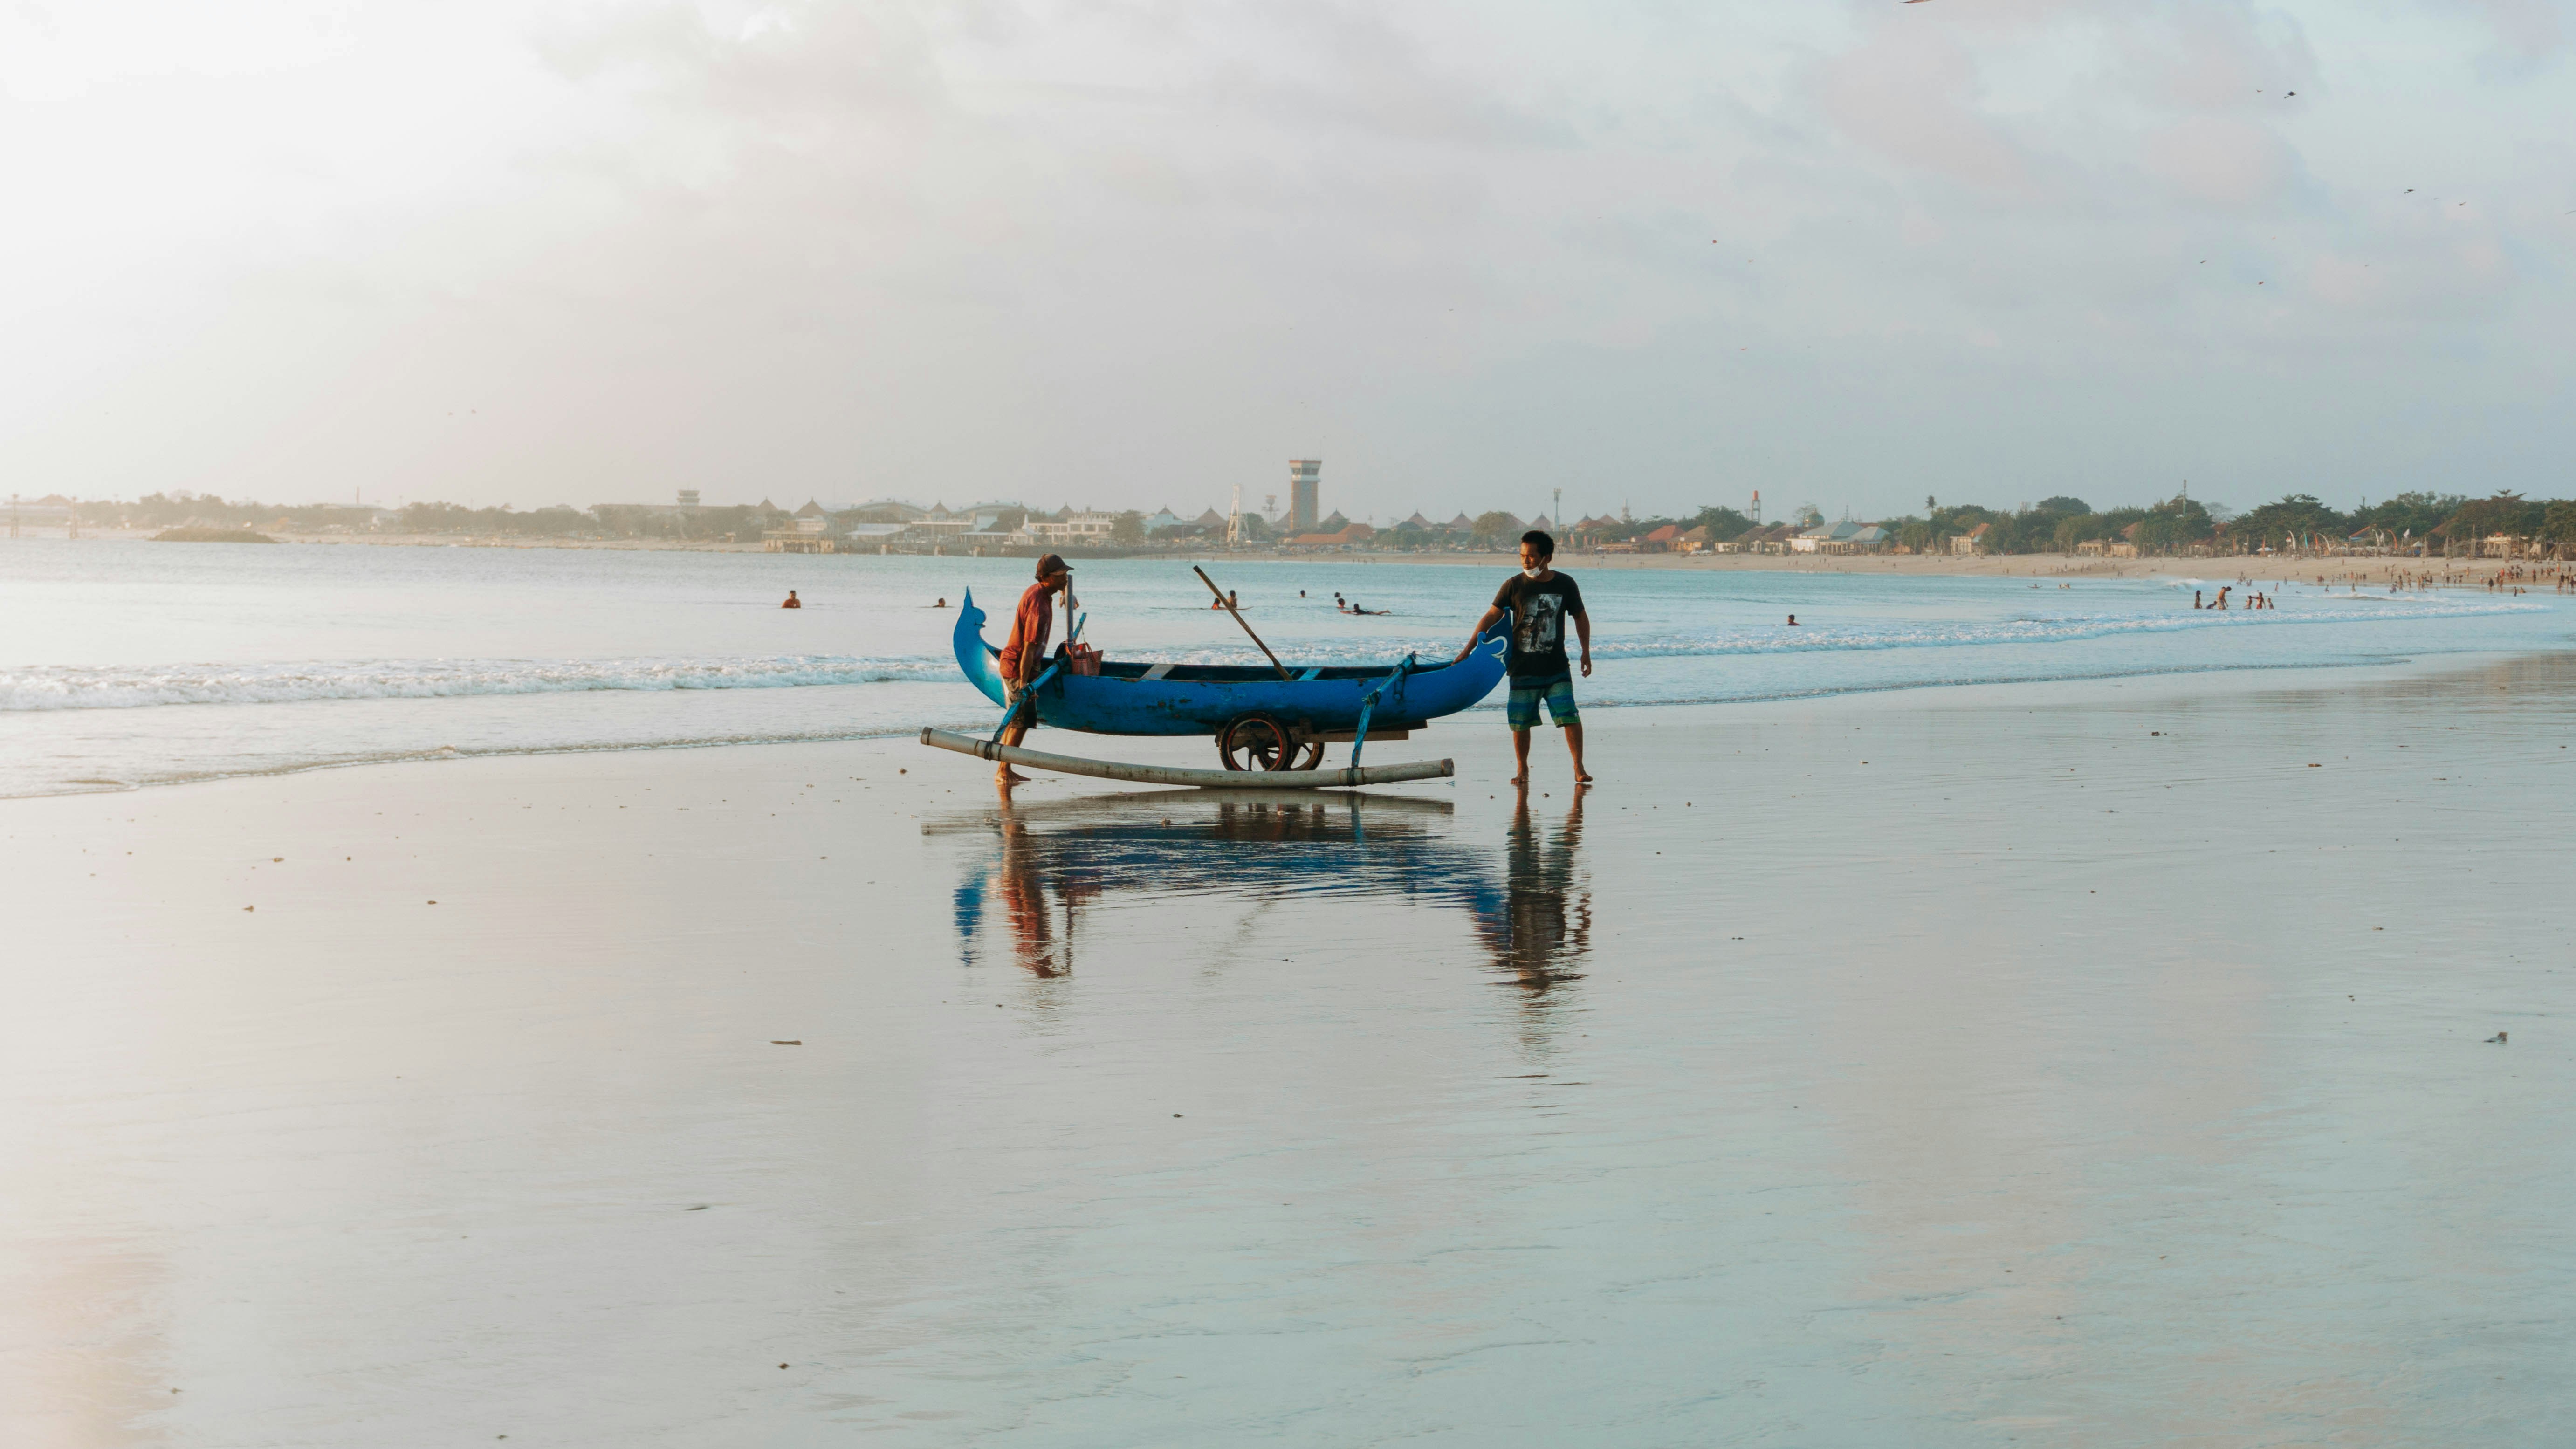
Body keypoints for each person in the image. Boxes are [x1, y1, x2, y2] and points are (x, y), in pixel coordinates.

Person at [1456, 529, 1590, 785]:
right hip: (1522, 667)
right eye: (1522, 556)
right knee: (1520, 722)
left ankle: (1578, 767)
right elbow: (1490, 617)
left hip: (1556, 667)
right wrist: (1468, 648)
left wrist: (1586, 652)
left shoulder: (1565, 584)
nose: (1525, 561)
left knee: (1569, 716)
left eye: (1531, 557)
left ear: (1546, 557)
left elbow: (1580, 617)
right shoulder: (1513, 585)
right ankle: (1522, 769)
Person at [996, 555, 1072, 784]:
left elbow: (1062, 589)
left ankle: (1004, 768)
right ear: (1047, 578)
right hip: (1018, 667)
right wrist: (1024, 683)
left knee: (1017, 721)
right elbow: (1028, 648)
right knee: (1021, 722)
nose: (1065, 579)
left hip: (1022, 667)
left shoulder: (1041, 592)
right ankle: (1003, 771)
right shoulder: (1038, 604)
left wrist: (1065, 594)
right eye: (1061, 576)